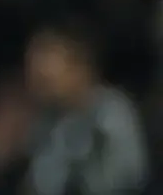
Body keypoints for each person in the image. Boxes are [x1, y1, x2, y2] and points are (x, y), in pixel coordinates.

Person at [23, 19, 150, 195]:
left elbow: (128, 178)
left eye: (48, 59)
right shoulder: (47, 122)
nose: (37, 71)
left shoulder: (112, 113)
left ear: (79, 66)